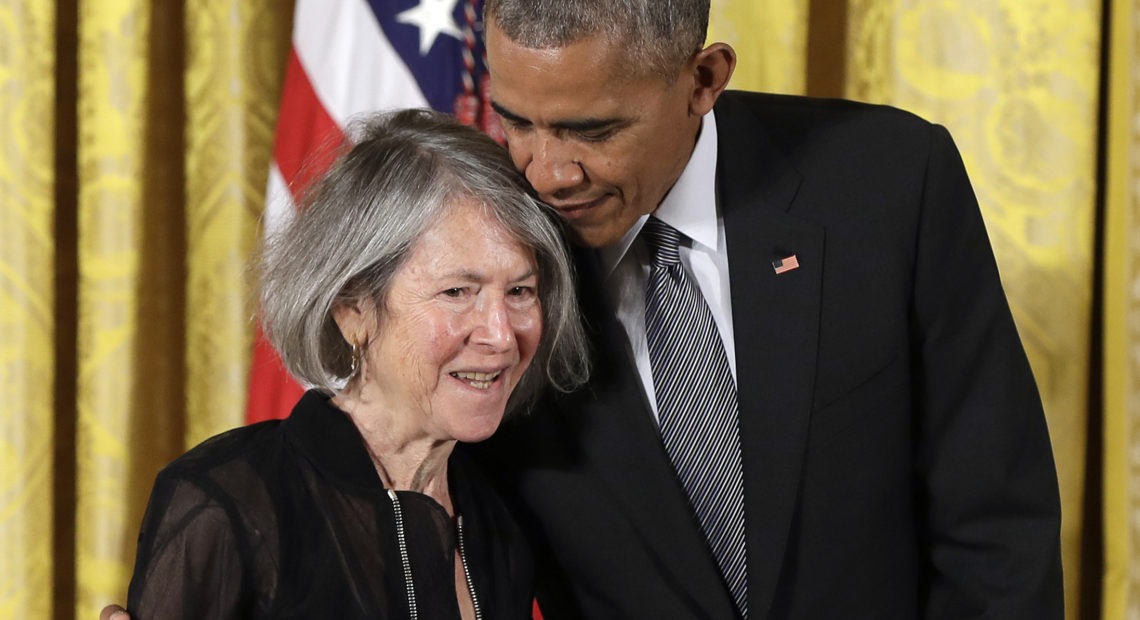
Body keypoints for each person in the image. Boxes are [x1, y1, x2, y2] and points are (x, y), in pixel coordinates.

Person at [467, 0, 1065, 618]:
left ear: (704, 80)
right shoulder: (481, 248)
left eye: (593, 131)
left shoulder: (891, 181)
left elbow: (996, 527)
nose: (547, 174)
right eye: (516, 123)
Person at [119, 108, 589, 619]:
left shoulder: (499, 521)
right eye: (458, 291)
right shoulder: (228, 501)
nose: (501, 335)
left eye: (520, 291)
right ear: (353, 309)